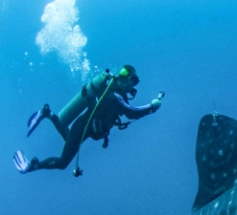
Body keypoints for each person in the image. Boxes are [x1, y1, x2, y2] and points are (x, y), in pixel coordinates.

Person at [13, 65, 163, 176]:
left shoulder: (115, 94)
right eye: (133, 81)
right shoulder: (114, 96)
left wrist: (105, 137)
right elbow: (131, 113)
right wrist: (151, 106)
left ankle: (49, 114)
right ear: (128, 79)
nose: (133, 86)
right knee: (63, 162)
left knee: (68, 138)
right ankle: (32, 166)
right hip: (83, 126)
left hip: (88, 128)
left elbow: (111, 116)